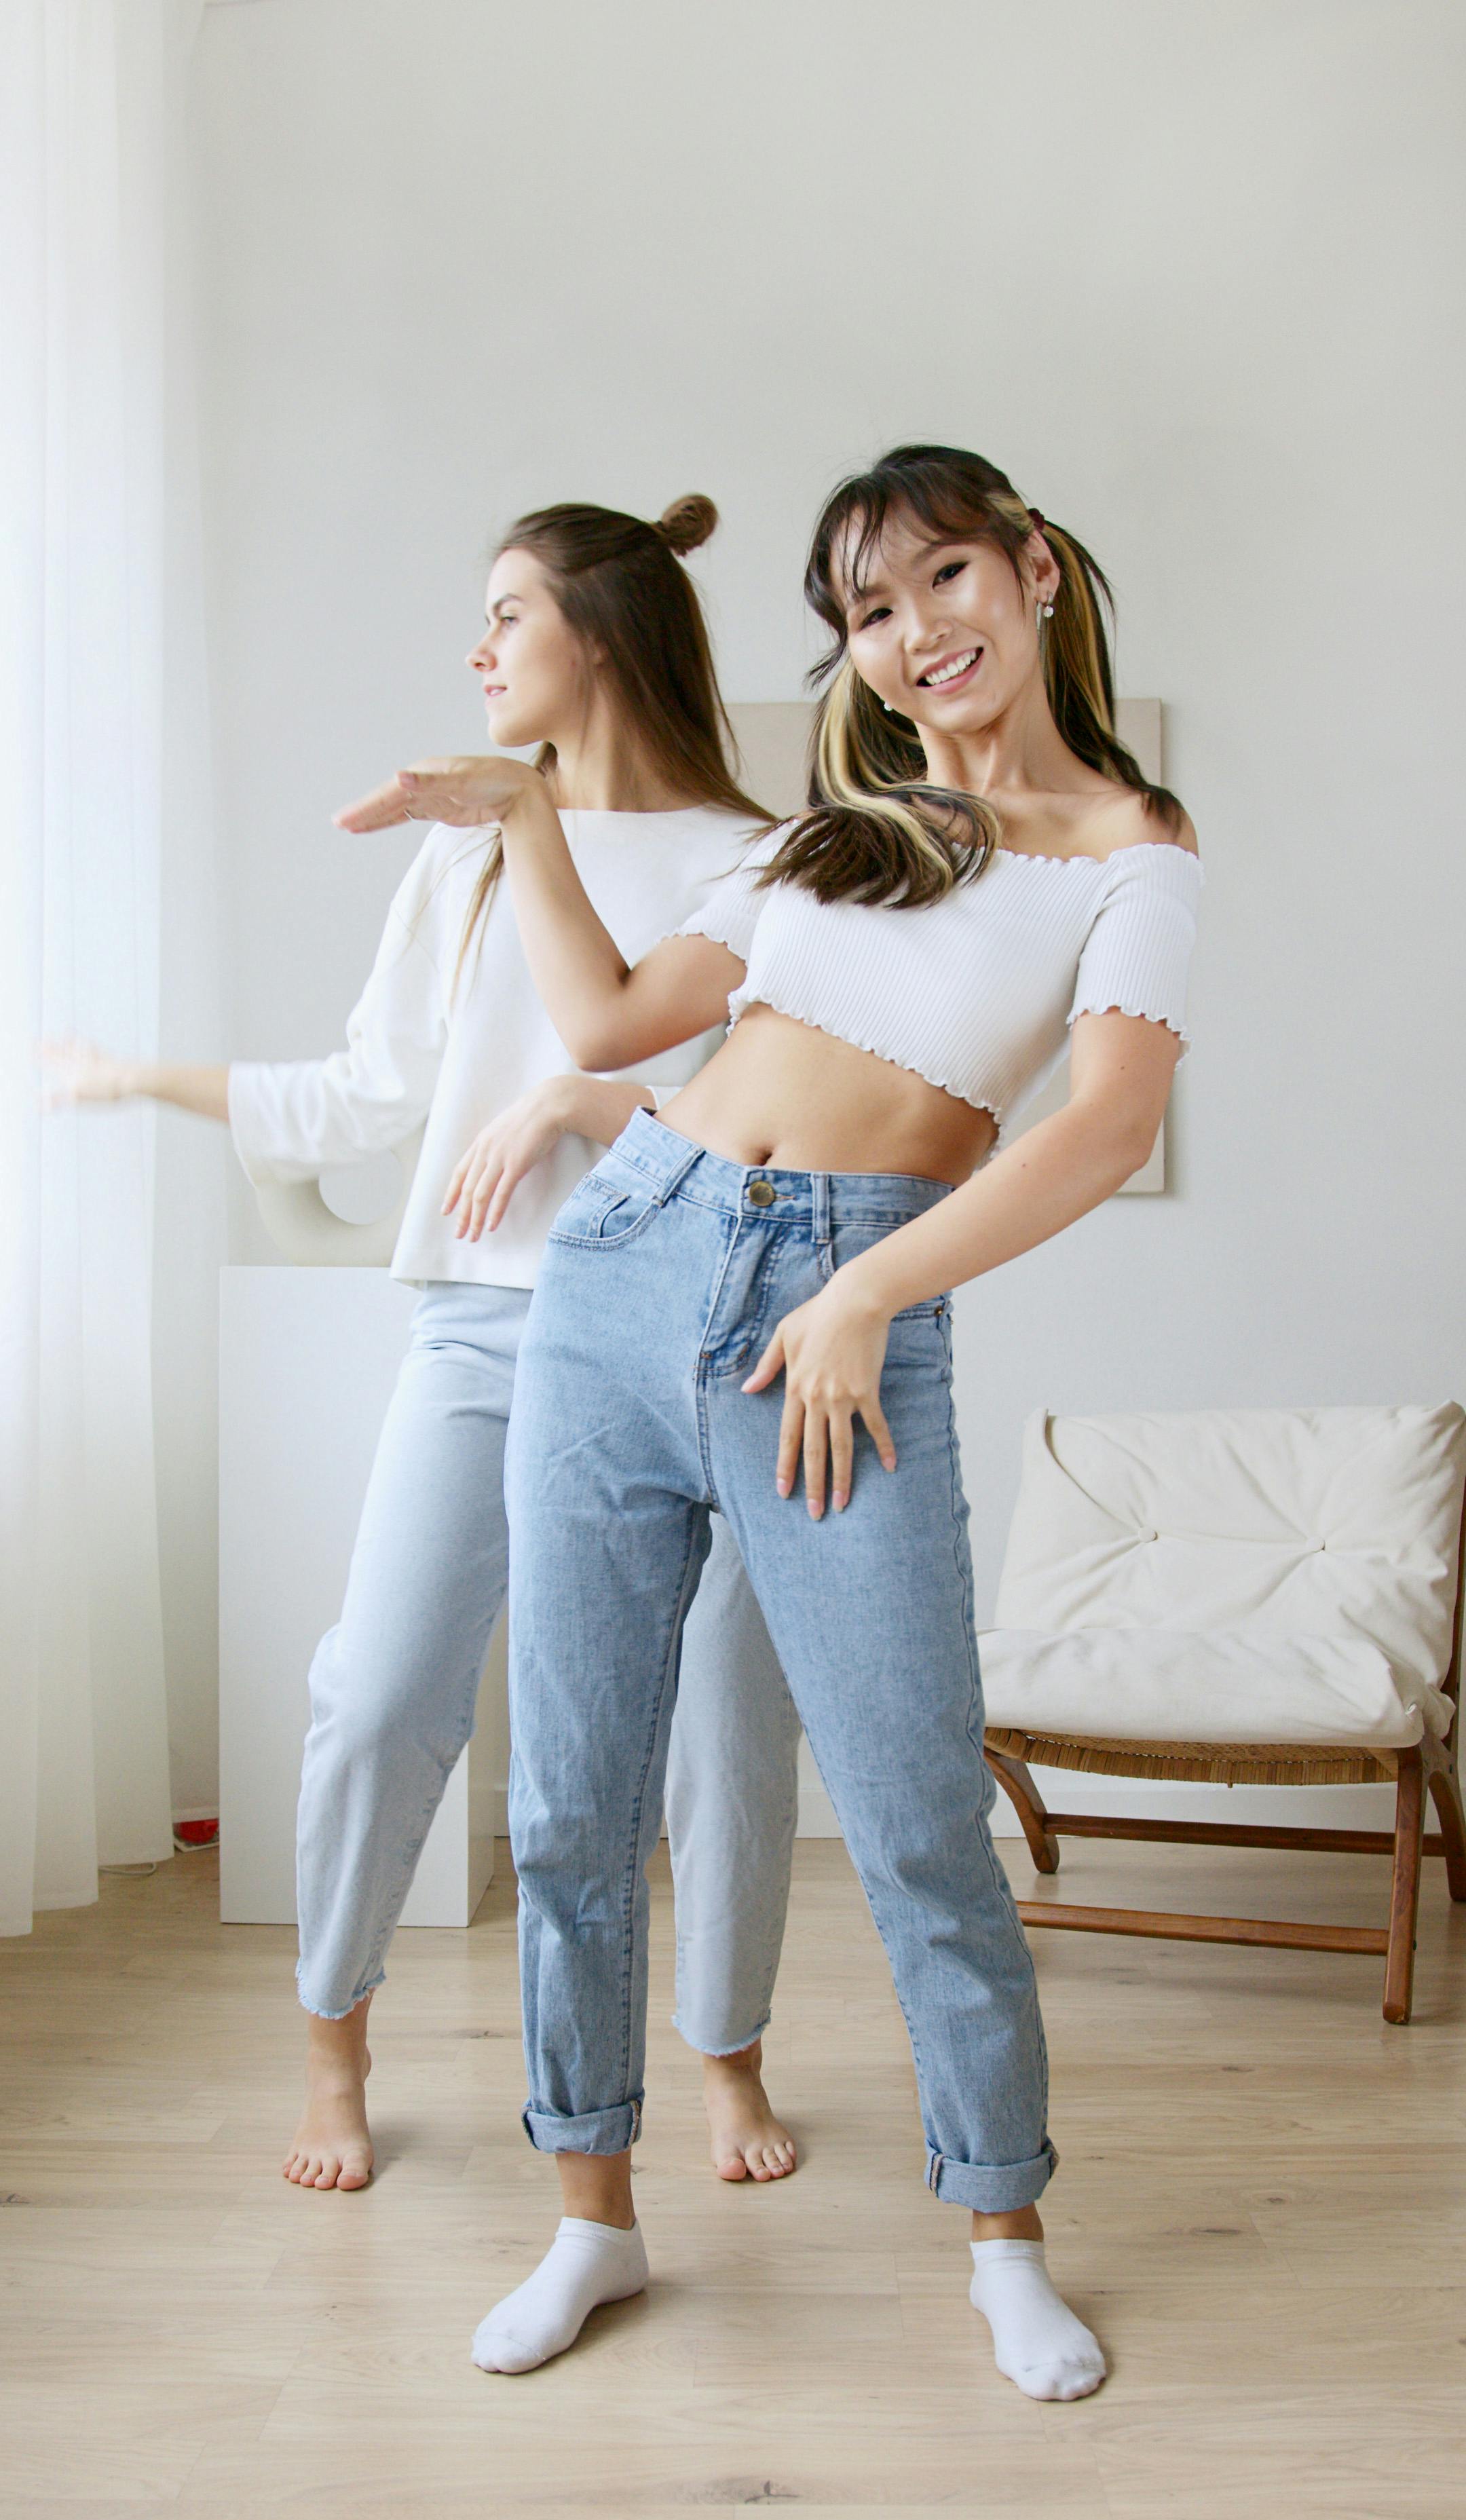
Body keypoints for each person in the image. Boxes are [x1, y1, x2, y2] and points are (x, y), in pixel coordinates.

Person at [343, 443, 1202, 2402]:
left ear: (1034, 568)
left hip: (847, 1312)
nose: (913, 641)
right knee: (569, 1802)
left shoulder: (1134, 853)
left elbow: (1104, 1126)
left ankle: (1002, 2237)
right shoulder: (843, 832)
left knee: (911, 1820)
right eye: (870, 616)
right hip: (625, 1271)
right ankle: (591, 2226)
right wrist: (524, 816)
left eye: (940, 584)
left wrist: (869, 1291)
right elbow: (617, 1027)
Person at [41, 495, 804, 2194]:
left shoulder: (762, 861)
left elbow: (767, 1119)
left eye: (505, 616)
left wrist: (589, 1106)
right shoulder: (458, 858)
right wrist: (141, 1080)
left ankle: (727, 2055)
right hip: (485, 1330)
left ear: (597, 635)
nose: (474, 651)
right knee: (380, 1692)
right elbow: (367, 1092)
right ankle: (333, 2039)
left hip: (700, 1336)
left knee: (728, 1716)